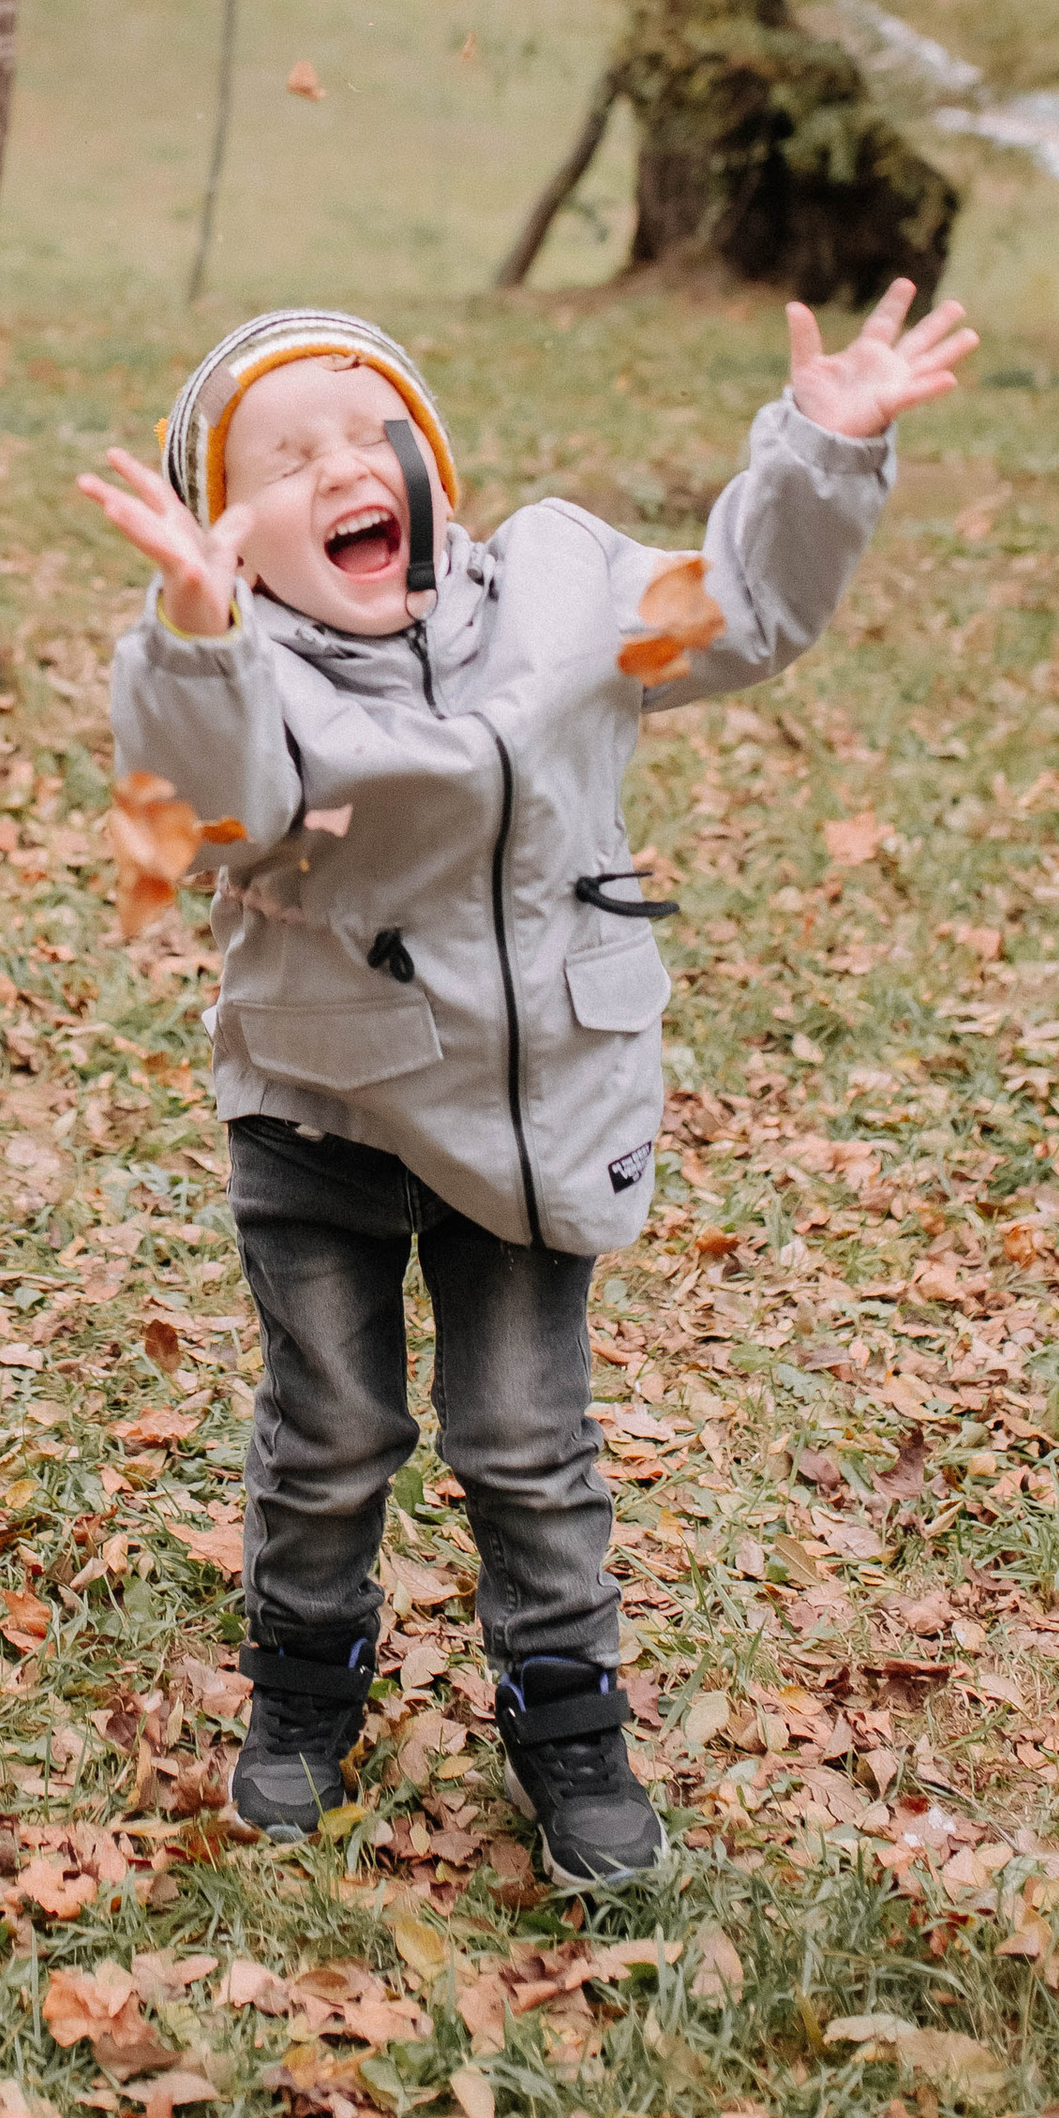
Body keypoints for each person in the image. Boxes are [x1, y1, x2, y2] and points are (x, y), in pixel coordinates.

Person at [78, 281, 975, 1888]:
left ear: (439, 468)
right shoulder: (249, 670)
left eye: (376, 432)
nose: (345, 466)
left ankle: (569, 1728)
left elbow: (744, 609)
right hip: (324, 1110)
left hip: (537, 1113)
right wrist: (196, 640)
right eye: (284, 460)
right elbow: (205, 811)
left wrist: (819, 454)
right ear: (228, 536)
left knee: (526, 1443)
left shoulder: (566, 590)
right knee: (332, 1431)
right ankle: (301, 1701)